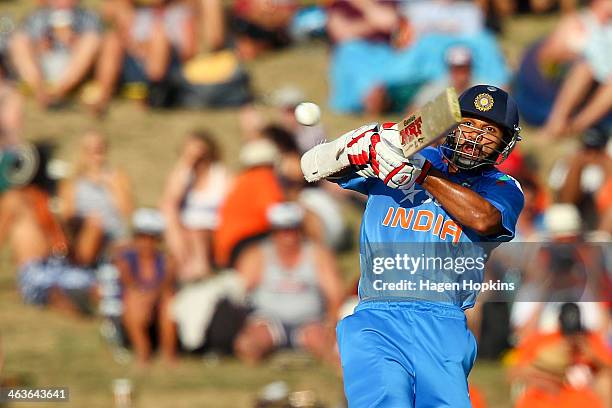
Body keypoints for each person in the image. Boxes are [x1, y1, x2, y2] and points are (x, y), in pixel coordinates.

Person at [301, 84, 524, 406]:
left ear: (505, 142)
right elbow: (313, 166)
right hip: (377, 314)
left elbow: (484, 218)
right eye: (469, 123)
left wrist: (423, 175)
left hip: (442, 319)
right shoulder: (406, 154)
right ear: (451, 125)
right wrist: (363, 143)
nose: (475, 135)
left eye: (489, 130)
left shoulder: (503, 186)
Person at [233, 202, 344, 364]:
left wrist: (331, 327)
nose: (288, 235)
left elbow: (336, 296)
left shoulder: (317, 255)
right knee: (252, 345)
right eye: (282, 229)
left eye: (293, 228)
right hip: (268, 320)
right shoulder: (256, 255)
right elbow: (238, 293)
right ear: (273, 231)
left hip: (309, 322)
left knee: (323, 345)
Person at [0, 143, 98, 315]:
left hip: (59, 264)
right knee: (54, 292)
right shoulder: (14, 199)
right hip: (34, 269)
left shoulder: (46, 199)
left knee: (96, 287)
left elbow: (62, 241)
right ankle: (75, 310)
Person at [161, 129, 232, 282]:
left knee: (197, 233)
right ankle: (189, 271)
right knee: (170, 214)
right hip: (185, 234)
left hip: (212, 230)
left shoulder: (221, 175)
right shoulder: (184, 176)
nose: (198, 161)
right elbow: (170, 200)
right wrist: (186, 163)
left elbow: (232, 207)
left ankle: (199, 273)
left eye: (201, 156)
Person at [8, 0, 102, 108]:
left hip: (74, 67)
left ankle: (59, 93)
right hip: (42, 67)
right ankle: (41, 92)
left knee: (91, 39)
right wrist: (39, 47)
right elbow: (23, 46)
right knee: (18, 40)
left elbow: (98, 49)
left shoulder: (88, 17)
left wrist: (75, 43)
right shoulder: (37, 16)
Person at [115, 208, 177, 366]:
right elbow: (129, 284)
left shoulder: (166, 260)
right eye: (142, 237)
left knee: (168, 301)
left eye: (152, 238)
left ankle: (169, 354)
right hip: (135, 306)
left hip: (157, 304)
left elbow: (166, 284)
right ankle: (143, 351)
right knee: (133, 301)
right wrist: (146, 296)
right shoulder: (125, 259)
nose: (147, 242)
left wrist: (151, 296)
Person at [58, 131, 133, 254]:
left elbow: (128, 213)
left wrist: (113, 186)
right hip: (86, 237)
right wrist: (89, 222)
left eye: (99, 147)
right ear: (82, 152)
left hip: (115, 237)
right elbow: (67, 218)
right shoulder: (72, 182)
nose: (95, 152)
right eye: (90, 149)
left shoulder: (117, 177)